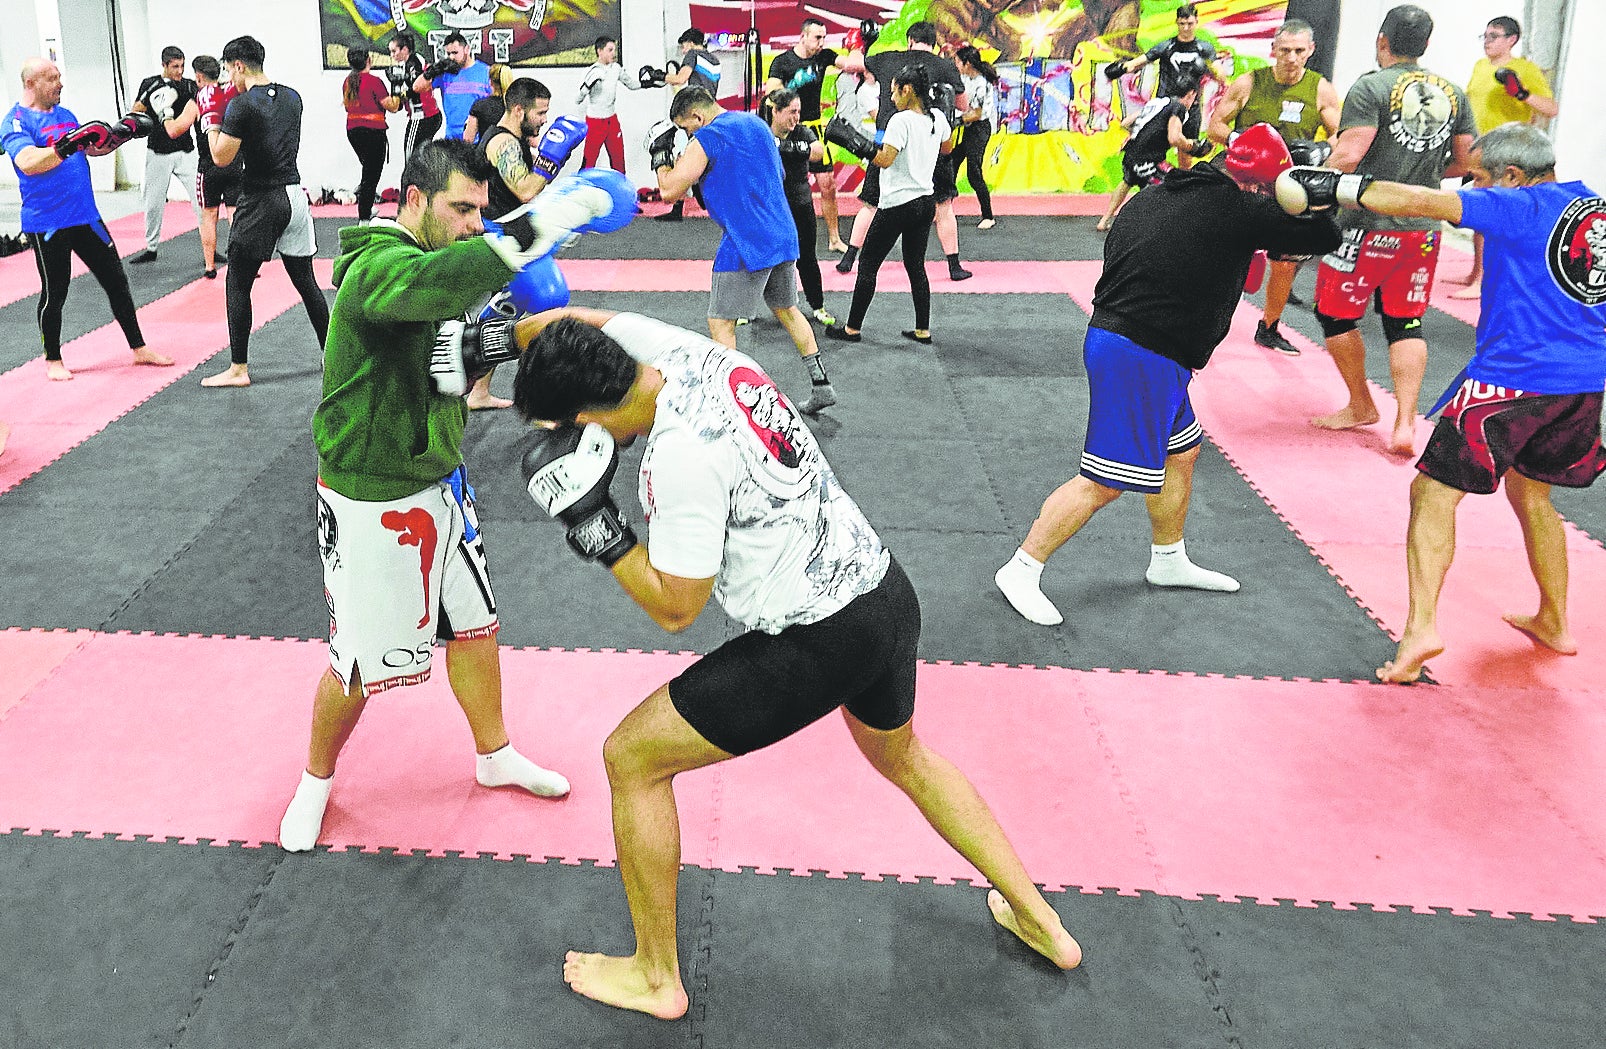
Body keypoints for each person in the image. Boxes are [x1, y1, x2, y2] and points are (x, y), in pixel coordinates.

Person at [508, 307, 1083, 1020]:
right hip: (882, 592)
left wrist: (596, 526)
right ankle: (1042, 920)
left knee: (632, 758)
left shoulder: (679, 457)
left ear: (591, 411)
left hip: (815, 642)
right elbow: (569, 317)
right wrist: (509, 341)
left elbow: (677, 606)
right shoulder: (689, 353)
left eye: (567, 428)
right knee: (904, 756)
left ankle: (657, 976)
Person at [278, 138, 635, 852]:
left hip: (441, 481)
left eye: (483, 209)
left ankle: (494, 751)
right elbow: (437, 287)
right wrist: (550, 218)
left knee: (475, 626)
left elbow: (447, 362)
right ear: (414, 200)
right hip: (372, 499)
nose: (475, 222)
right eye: (461, 208)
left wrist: (541, 335)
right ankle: (314, 781)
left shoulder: (427, 274)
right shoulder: (375, 269)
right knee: (358, 661)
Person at [1275, 124, 1605, 682]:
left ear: (1513, 177)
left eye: (1478, 179)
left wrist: (1338, 186)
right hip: (1583, 386)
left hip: (1512, 381)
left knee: (1431, 494)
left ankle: (1421, 628)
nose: (1472, 187)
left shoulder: (1519, 206)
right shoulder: (1594, 208)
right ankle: (1554, 619)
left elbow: (1421, 200)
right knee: (1532, 494)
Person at [993, 125, 1340, 627]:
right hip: (1143, 353)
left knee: (1183, 450)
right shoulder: (1240, 208)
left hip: (1128, 342)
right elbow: (1322, 236)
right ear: (1261, 187)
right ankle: (1022, 568)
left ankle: (1168, 558)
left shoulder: (1157, 193)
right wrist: (1317, 197)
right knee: (1105, 482)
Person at [1308, 5, 1475, 456]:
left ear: (1382, 40)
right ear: (1425, 44)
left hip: (1365, 224)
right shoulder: (1453, 91)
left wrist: (1309, 185)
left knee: (1336, 315)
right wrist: (1426, 181)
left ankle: (1362, 403)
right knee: (1405, 322)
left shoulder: (1372, 86)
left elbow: (1348, 155)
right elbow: (1469, 162)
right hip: (1422, 229)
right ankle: (1404, 422)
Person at [655, 87, 836, 415]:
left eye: (686, 127)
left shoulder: (708, 137)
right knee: (787, 310)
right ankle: (821, 383)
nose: (687, 134)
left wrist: (660, 156)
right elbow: (776, 174)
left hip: (745, 240)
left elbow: (669, 191)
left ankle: (731, 403)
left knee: (720, 323)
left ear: (697, 116)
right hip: (782, 232)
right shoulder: (757, 126)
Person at [2, 57, 173, 381]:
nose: (60, 83)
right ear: (31, 84)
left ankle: (138, 348)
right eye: (52, 78)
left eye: (59, 76)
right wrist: (67, 145)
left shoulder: (65, 115)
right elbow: (27, 161)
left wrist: (121, 133)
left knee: (117, 282)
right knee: (56, 292)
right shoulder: (16, 122)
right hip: (48, 222)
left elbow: (91, 149)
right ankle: (53, 358)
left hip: (86, 216)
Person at [197, 35, 329, 389]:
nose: (229, 79)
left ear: (238, 65)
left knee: (238, 283)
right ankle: (332, 354)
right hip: (294, 196)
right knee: (306, 282)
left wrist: (211, 120)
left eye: (228, 70)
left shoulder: (241, 106)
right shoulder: (292, 98)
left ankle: (238, 368)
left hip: (261, 200)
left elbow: (221, 157)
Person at [1206, 18, 1341, 355]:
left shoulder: (1320, 88)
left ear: (1310, 51)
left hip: (1289, 188)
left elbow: (1343, 135)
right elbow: (1215, 126)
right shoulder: (1249, 82)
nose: (1291, 58)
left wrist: (1323, 148)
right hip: (1246, 186)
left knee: (1285, 261)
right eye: (1284, 50)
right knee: (1226, 254)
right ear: (1273, 51)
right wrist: (1241, 140)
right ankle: (1207, 319)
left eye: (1298, 51)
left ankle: (1269, 327)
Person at [471, 77, 586, 411]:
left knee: (508, 308)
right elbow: (525, 188)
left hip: (514, 229)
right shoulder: (502, 143)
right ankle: (544, 403)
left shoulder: (513, 138)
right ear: (518, 109)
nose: (544, 120)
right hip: (501, 234)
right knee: (548, 305)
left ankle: (479, 390)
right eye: (539, 113)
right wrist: (553, 157)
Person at [821, 65, 949, 345]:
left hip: (897, 205)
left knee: (867, 264)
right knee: (916, 265)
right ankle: (922, 330)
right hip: (925, 202)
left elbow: (885, 160)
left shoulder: (900, 121)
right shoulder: (937, 118)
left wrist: (854, 143)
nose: (890, 98)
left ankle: (852, 329)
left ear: (908, 90)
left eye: (893, 92)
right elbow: (947, 148)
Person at [838, 21, 972, 282]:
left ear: (910, 40)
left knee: (871, 203)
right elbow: (963, 105)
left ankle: (848, 258)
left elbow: (851, 64)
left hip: (890, 138)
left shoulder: (889, 58)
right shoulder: (945, 65)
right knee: (943, 204)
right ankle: (954, 266)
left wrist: (860, 45)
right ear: (933, 43)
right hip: (929, 141)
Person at [1452, 16, 1559, 300]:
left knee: (1491, 217)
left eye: (1494, 36)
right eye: (1484, 35)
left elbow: (1551, 107)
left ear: (1512, 39)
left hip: (1508, 153)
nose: (1487, 41)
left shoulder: (1525, 69)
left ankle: (1484, 282)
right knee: (1477, 217)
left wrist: (1521, 93)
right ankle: (1475, 273)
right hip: (1479, 151)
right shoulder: (1479, 67)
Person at [764, 18, 850, 253]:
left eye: (824, 37)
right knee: (783, 183)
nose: (821, 42)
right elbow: (770, 92)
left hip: (813, 128)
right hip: (789, 128)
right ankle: (776, 234)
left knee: (828, 184)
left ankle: (834, 239)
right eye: (817, 37)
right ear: (803, 37)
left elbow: (851, 64)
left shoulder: (824, 57)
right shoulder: (783, 62)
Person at [1105, 3, 1219, 169]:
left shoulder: (1205, 49)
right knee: (1153, 149)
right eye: (1182, 24)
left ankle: (1181, 190)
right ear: (1177, 23)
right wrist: (1122, 68)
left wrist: (1210, 68)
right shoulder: (1166, 46)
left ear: (1196, 22)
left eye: (1190, 24)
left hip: (1191, 108)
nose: (1186, 28)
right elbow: (1138, 62)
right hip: (1165, 106)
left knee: (1185, 158)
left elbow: (1220, 74)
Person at [1096, 77, 1206, 233]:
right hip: (1147, 161)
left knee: (1128, 181)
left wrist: (1143, 138)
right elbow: (1174, 137)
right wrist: (1193, 146)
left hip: (1131, 155)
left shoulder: (1158, 102)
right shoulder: (1179, 108)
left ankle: (1105, 219)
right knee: (1175, 183)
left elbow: (1126, 123)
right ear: (1191, 93)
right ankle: (1160, 226)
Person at [128, 45, 204, 266]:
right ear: (164, 65)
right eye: (175, 67)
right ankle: (151, 248)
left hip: (185, 151)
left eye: (182, 66)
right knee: (153, 202)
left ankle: (210, 244)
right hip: (158, 151)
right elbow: (135, 111)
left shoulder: (189, 85)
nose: (179, 71)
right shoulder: (150, 84)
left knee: (201, 200)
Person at [765, 90, 834, 326]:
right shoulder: (762, 131)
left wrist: (786, 147)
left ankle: (818, 306)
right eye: (791, 112)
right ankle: (746, 309)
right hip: (770, 206)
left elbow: (818, 152)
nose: (796, 117)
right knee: (762, 257)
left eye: (798, 112)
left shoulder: (803, 131)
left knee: (807, 257)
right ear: (776, 111)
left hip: (800, 203)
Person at [655, 29, 720, 223]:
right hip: (711, 114)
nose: (683, 51)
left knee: (681, 159)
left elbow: (681, 79)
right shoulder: (715, 60)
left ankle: (677, 207)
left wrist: (657, 75)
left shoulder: (694, 55)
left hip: (694, 116)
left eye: (684, 46)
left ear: (690, 43)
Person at [191, 55, 240, 279]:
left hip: (209, 166)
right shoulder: (230, 95)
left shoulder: (196, 101)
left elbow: (174, 130)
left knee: (209, 216)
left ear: (199, 76)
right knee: (235, 214)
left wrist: (164, 116)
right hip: (233, 161)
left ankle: (210, 267)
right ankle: (242, 263)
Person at [341, 48, 398, 224]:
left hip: (353, 131)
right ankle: (364, 217)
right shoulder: (374, 82)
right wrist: (398, 90)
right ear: (369, 60)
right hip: (373, 132)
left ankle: (367, 206)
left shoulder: (348, 81)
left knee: (368, 171)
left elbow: (347, 106)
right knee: (371, 175)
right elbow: (392, 106)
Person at [575, 36, 643, 173]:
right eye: (610, 50)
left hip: (612, 121)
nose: (614, 53)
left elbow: (632, 85)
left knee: (619, 162)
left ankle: (621, 192)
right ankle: (581, 190)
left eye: (614, 50)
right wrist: (588, 85)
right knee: (589, 162)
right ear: (600, 51)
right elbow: (577, 99)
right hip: (595, 122)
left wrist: (652, 81)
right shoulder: (590, 71)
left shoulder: (616, 68)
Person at [413, 32, 492, 143]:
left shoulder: (485, 72)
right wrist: (433, 70)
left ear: (467, 49)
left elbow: (495, 104)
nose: (451, 57)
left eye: (455, 52)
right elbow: (417, 87)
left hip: (478, 139)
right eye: (448, 53)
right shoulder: (445, 73)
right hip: (451, 138)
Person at [955, 46, 999, 230]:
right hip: (969, 127)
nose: (955, 64)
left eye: (958, 61)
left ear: (968, 64)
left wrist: (956, 120)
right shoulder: (965, 78)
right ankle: (941, 207)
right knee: (950, 162)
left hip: (980, 128)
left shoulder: (982, 83)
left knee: (974, 173)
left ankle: (988, 216)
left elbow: (977, 113)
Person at [387, 33, 442, 162]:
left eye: (394, 51)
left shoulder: (413, 63)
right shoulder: (414, 61)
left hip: (422, 116)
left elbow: (415, 90)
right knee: (422, 157)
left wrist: (399, 93)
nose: (392, 55)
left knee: (410, 157)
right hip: (429, 115)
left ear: (404, 49)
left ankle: (411, 181)